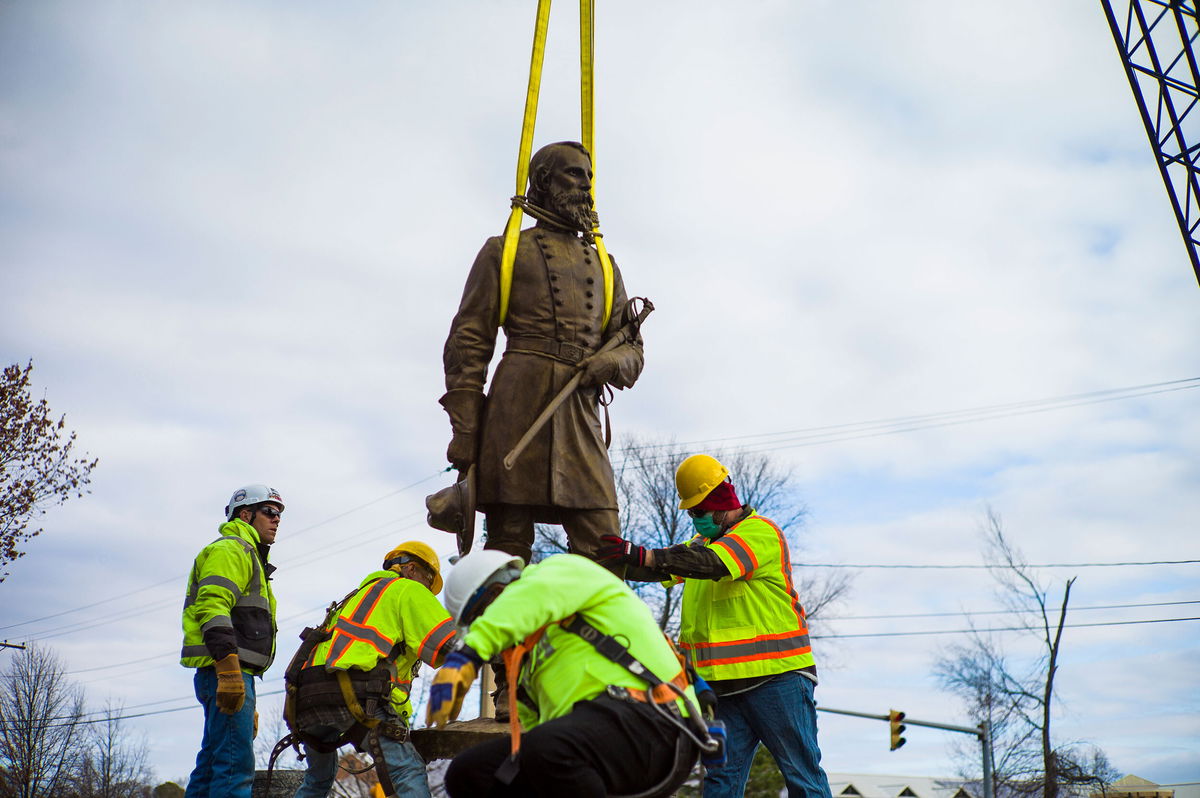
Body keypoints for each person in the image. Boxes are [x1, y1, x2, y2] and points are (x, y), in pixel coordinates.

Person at [439, 140, 645, 565]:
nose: (585, 185)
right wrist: (465, 430)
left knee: (605, 545)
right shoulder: (506, 250)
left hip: (580, 410)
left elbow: (632, 349)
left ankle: (599, 633)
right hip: (517, 406)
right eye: (574, 174)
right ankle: (502, 631)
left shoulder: (605, 264)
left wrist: (610, 361)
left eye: (589, 177)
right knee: (506, 548)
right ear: (544, 181)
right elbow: (468, 342)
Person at [597, 454, 834, 798]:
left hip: (776, 680)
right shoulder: (701, 546)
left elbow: (712, 564)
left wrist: (645, 555)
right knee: (721, 782)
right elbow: (662, 567)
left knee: (802, 775)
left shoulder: (758, 533)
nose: (695, 520)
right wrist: (617, 559)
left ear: (721, 505)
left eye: (698, 512)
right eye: (691, 513)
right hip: (724, 689)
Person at [427, 550, 713, 798]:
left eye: (483, 617)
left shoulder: (560, 572)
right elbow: (538, 740)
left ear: (498, 592)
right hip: (600, 747)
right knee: (471, 772)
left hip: (657, 723)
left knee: (547, 748)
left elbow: (525, 601)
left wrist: (465, 656)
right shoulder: (530, 663)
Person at [290, 541, 456, 798]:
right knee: (406, 770)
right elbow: (448, 644)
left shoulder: (355, 597)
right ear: (411, 569)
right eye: (428, 581)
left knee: (318, 779)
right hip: (354, 695)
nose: (429, 593)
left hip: (305, 698)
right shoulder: (407, 589)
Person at [181, 484, 284, 798]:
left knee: (214, 762)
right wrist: (229, 672)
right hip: (226, 669)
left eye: (279, 514)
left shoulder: (247, 555)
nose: (276, 519)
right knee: (234, 769)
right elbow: (212, 606)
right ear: (245, 514)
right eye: (269, 512)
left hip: (230, 672)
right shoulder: (233, 549)